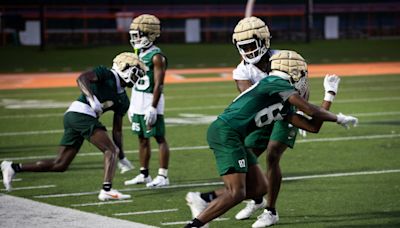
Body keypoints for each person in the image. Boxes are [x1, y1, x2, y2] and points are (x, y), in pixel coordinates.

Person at [187, 16, 340, 227]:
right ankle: (255, 198)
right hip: (263, 113)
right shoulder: (242, 70)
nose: (249, 51)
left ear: (264, 41)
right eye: (244, 46)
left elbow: (301, 83)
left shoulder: (283, 58)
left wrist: (302, 109)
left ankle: (270, 210)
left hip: (284, 110)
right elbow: (250, 98)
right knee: (248, 156)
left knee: (273, 153)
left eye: (252, 45)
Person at [1, 52, 147, 201]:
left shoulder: (124, 100)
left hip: (77, 117)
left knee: (60, 164)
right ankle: (107, 190)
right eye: (136, 73)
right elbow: (82, 79)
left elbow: (117, 130)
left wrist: (121, 155)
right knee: (110, 150)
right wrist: (91, 99)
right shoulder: (107, 74)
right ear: (125, 68)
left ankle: (13, 167)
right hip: (79, 114)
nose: (137, 78)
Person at [124, 14, 171, 188]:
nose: (135, 39)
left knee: (159, 138)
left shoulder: (156, 56)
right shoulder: (138, 53)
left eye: (138, 35)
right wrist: (131, 105)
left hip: (152, 101)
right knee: (142, 139)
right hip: (138, 101)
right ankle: (144, 174)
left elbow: (159, 84)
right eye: (133, 35)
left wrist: (153, 107)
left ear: (150, 34)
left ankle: (163, 175)